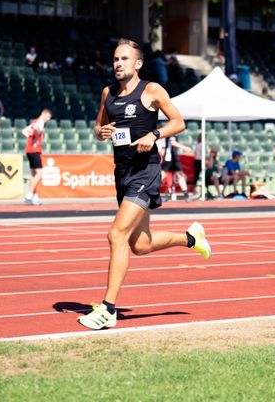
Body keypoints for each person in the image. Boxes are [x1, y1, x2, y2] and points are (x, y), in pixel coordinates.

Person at [77, 38, 211, 331]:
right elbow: (99, 128)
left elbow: (178, 122)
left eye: (124, 59)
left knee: (116, 235)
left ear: (137, 63)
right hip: (122, 172)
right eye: (115, 59)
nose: (118, 64)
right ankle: (192, 238)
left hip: (145, 171)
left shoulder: (151, 90)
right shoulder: (107, 94)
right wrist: (102, 132)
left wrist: (155, 134)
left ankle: (108, 310)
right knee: (140, 244)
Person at [22, 108, 53, 205]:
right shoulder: (40, 122)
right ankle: (29, 194)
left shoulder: (34, 121)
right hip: (35, 150)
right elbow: (36, 129)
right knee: (39, 173)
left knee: (33, 174)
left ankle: (34, 197)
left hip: (28, 149)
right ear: (43, 114)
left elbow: (24, 131)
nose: (48, 119)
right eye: (48, 117)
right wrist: (36, 135)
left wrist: (32, 136)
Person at [161, 135, 192, 200]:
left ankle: (186, 195)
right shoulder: (171, 135)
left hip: (174, 159)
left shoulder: (174, 135)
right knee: (162, 175)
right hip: (169, 159)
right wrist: (185, 148)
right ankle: (152, 191)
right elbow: (173, 143)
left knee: (180, 175)